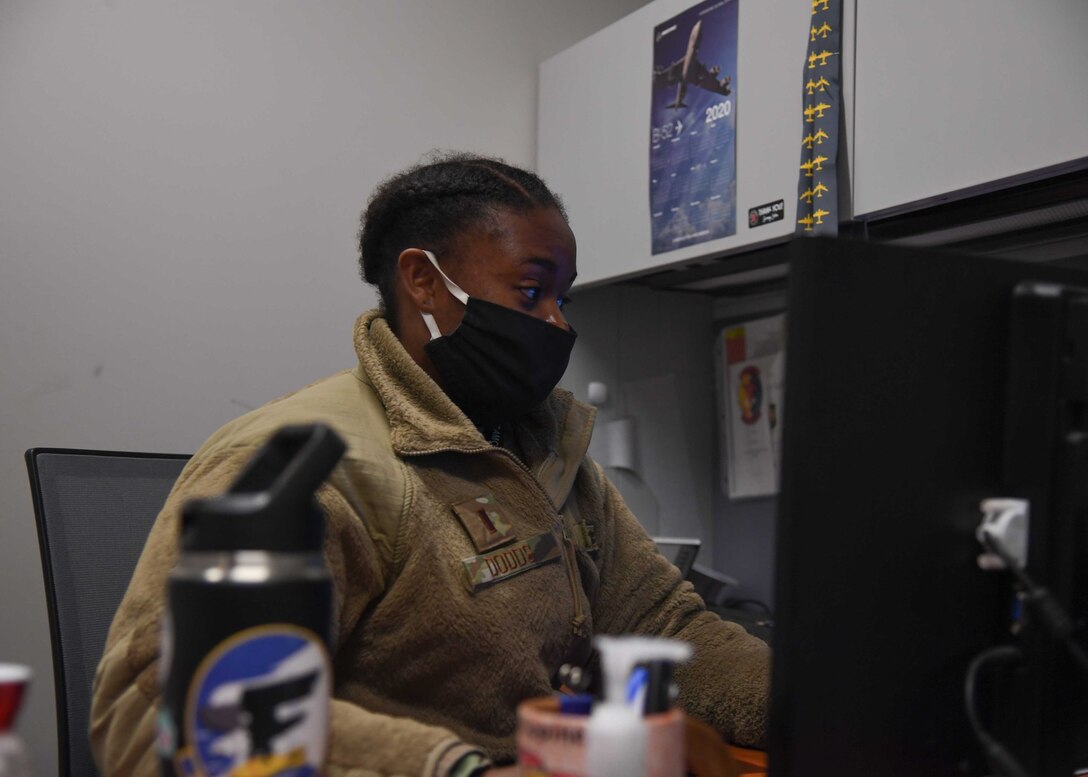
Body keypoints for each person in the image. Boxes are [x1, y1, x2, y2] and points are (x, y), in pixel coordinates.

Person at [90, 152, 770, 777]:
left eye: (562, 299)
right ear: (422, 280)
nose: (557, 324)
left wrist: (814, 701)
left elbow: (663, 626)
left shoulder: (548, 451)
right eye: (531, 291)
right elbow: (153, 718)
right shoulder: (309, 468)